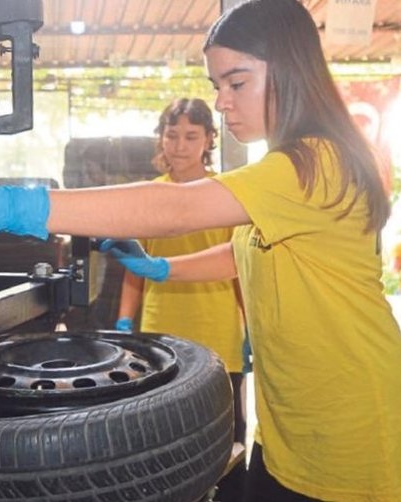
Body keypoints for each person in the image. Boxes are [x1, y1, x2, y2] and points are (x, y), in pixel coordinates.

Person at [0, 1, 401, 500]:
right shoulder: (288, 170)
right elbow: (248, 252)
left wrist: (11, 208)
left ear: (291, 70)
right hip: (296, 424)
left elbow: (174, 208)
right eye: (218, 84)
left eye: (236, 82)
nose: (222, 100)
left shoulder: (316, 163)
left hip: (355, 428)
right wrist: (161, 267)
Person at [113, 97, 247, 500]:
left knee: (226, 426)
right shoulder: (149, 195)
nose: (180, 145)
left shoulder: (228, 193)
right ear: (161, 138)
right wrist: (124, 322)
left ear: (209, 139)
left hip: (218, 328)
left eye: (192, 136)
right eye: (172, 135)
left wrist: (250, 326)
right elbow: (134, 268)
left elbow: (240, 265)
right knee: (161, 428)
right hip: (162, 328)